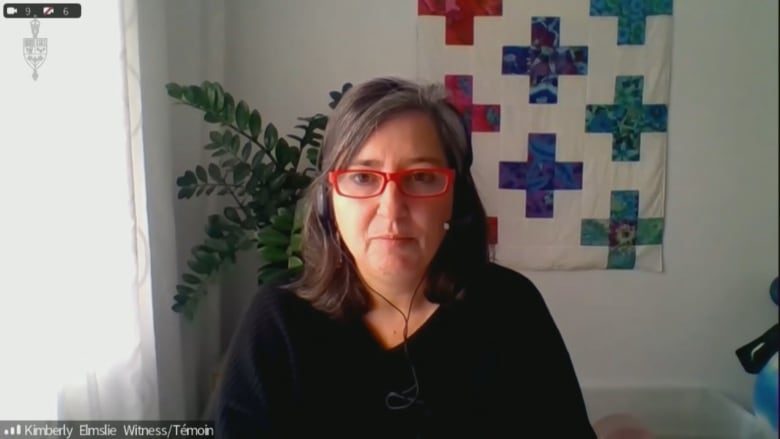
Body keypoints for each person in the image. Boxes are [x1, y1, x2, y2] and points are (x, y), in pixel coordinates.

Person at [214, 77, 597, 438]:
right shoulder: (278, 321)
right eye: (363, 178)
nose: (392, 209)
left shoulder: (511, 309)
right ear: (329, 200)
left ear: (455, 199)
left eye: (421, 177)